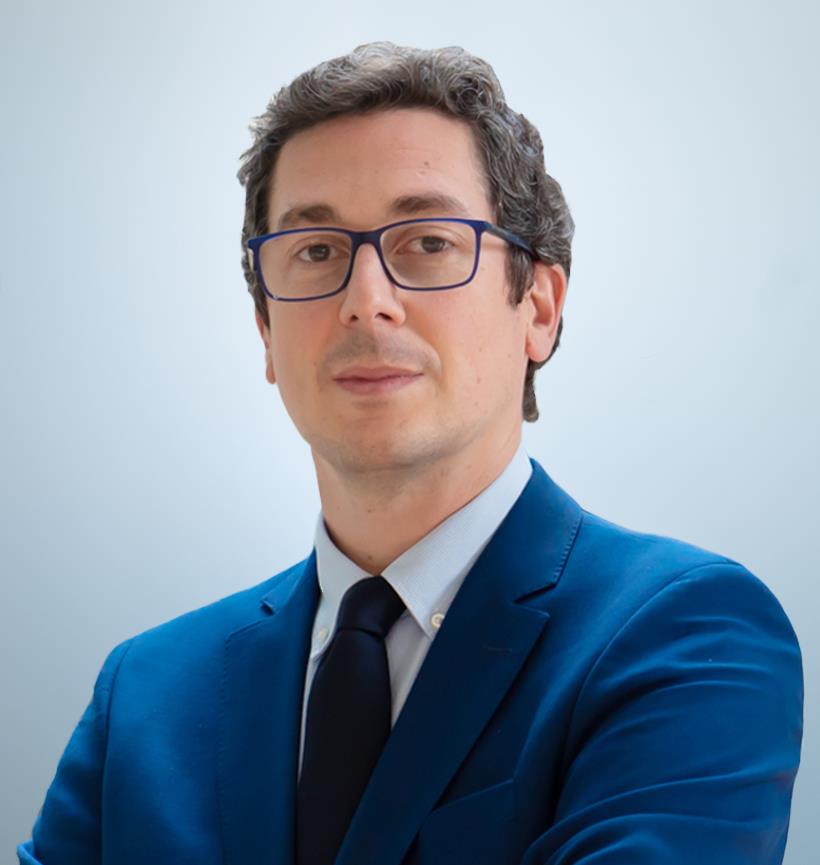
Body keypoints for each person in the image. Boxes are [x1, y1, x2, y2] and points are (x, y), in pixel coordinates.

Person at [19, 42, 803, 865]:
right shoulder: (147, 691)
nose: (367, 302)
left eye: (428, 242)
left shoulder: (685, 637)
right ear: (266, 332)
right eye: (315, 251)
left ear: (538, 307)